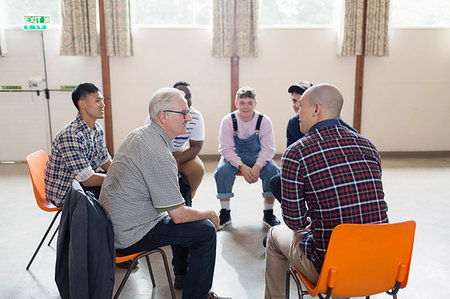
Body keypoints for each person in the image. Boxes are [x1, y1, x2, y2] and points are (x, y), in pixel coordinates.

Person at [264, 83, 389, 299]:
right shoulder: (368, 145)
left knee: (274, 235)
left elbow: (295, 222)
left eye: (300, 106)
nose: (297, 112)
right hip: (378, 262)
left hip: (331, 265)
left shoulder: (297, 152)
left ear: (316, 109)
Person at [100, 87, 219, 299]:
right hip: (130, 232)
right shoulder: (159, 154)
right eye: (183, 113)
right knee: (205, 230)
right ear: (163, 116)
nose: (189, 118)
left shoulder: (141, 134)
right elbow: (179, 216)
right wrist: (209, 212)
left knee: (185, 201)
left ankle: (183, 275)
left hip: (116, 222)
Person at [269, 80, 357, 202]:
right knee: (277, 182)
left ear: (316, 106)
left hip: (330, 172)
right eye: (294, 101)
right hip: (307, 171)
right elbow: (289, 162)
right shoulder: (293, 124)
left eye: (301, 102)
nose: (297, 106)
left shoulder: (335, 124)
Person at [214, 86, 281, 230]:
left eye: (250, 103)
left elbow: (268, 149)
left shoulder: (263, 121)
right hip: (234, 157)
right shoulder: (228, 121)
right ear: (236, 103)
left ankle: (268, 213)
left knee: (273, 172)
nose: (246, 106)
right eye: (242, 102)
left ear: (255, 104)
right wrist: (242, 166)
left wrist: (257, 167)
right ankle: (225, 213)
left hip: (258, 156)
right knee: (222, 171)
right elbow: (226, 149)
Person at [44, 83, 111, 207]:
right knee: (117, 193)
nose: (103, 105)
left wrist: (123, 173)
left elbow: (105, 160)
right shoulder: (71, 135)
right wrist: (118, 179)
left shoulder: (97, 129)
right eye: (97, 101)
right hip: (65, 192)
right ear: (82, 104)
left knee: (120, 188)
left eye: (102, 100)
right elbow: (87, 179)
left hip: (80, 182)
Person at [145, 81, 205, 200]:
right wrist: (167, 162)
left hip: (178, 152)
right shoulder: (159, 113)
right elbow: (150, 142)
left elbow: (196, 146)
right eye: (182, 96)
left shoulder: (195, 117)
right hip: (157, 152)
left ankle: (185, 200)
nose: (186, 100)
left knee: (197, 169)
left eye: (188, 96)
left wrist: (177, 160)